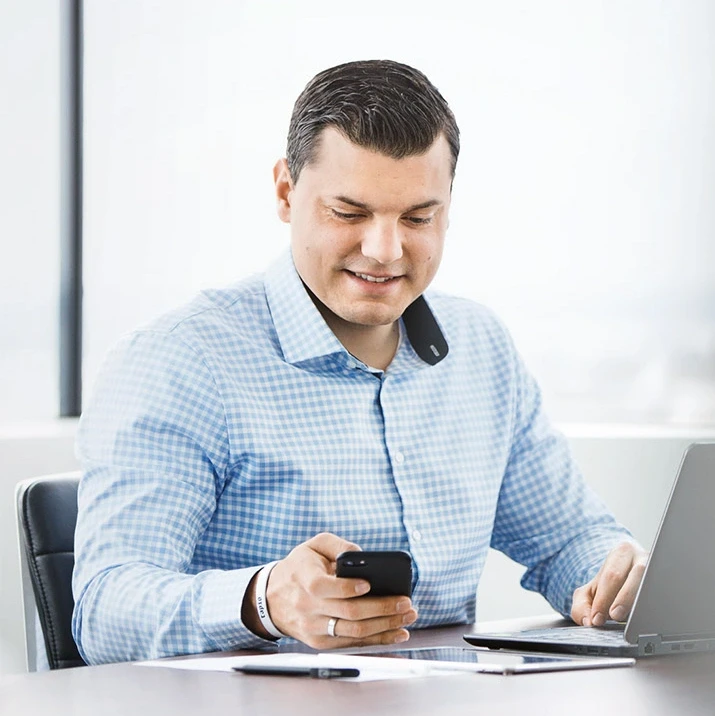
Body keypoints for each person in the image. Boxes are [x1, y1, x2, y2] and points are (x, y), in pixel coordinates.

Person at [72, 59, 646, 665]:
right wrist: (265, 602)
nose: (384, 250)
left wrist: (615, 579)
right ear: (286, 192)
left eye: (418, 217)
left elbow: (569, 540)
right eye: (350, 213)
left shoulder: (481, 349)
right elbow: (105, 612)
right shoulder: (180, 362)